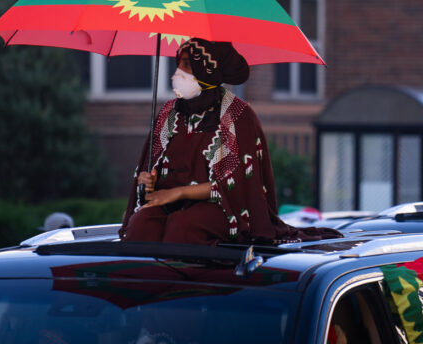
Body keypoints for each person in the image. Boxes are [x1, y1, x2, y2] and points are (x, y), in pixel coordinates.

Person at [119, 38, 341, 245]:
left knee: (183, 227)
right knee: (141, 225)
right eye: (179, 65)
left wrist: (179, 192)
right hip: (168, 204)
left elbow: (237, 184)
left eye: (187, 66)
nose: (178, 73)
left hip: (221, 209)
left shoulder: (238, 115)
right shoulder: (168, 112)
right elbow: (151, 168)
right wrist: (147, 179)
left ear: (207, 70)